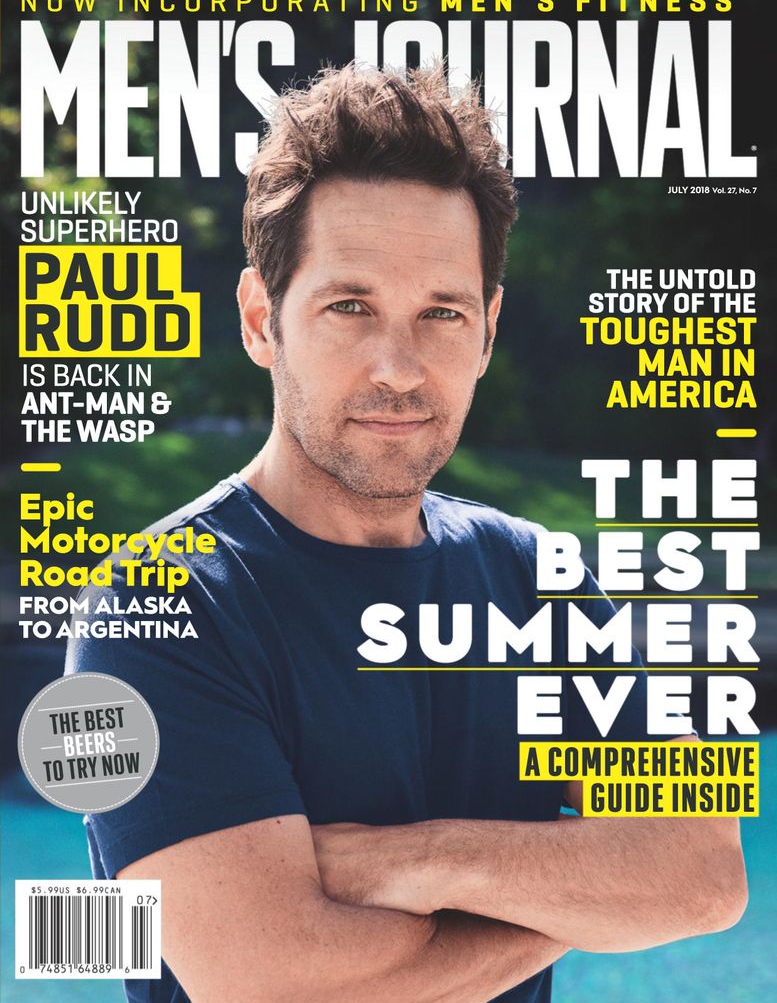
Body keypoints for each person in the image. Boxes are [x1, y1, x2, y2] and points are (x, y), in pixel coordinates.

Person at [68, 66, 746, 1003]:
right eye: (350, 307)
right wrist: (569, 897)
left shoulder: (547, 580)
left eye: (442, 313)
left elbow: (704, 878)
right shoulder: (154, 605)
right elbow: (271, 983)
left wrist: (410, 862)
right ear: (262, 318)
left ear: (487, 331)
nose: (399, 368)